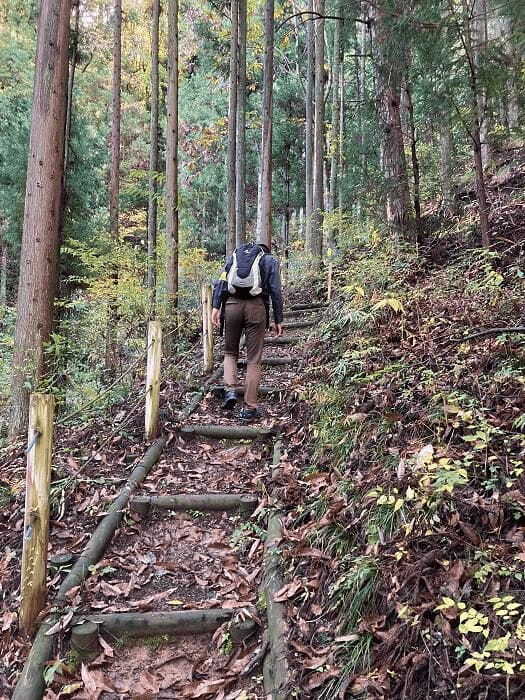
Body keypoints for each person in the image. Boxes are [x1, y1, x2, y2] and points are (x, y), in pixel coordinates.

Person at [211, 241, 283, 421]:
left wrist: (215, 306)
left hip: (232, 305)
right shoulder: (269, 260)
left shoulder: (234, 257)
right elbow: (275, 290)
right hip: (256, 308)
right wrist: (278, 319)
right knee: (254, 359)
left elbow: (222, 280)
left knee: (230, 352)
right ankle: (249, 408)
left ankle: (230, 391)